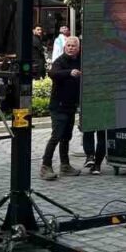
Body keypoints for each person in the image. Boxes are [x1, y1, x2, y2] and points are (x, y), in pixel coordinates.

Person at [41, 36, 83, 179]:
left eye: (73, 46)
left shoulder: (80, 60)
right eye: (68, 45)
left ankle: (65, 165)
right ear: (65, 47)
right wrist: (69, 73)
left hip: (71, 106)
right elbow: (52, 73)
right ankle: (45, 166)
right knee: (56, 136)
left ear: (78, 48)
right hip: (58, 106)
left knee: (66, 137)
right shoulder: (60, 61)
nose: (70, 48)